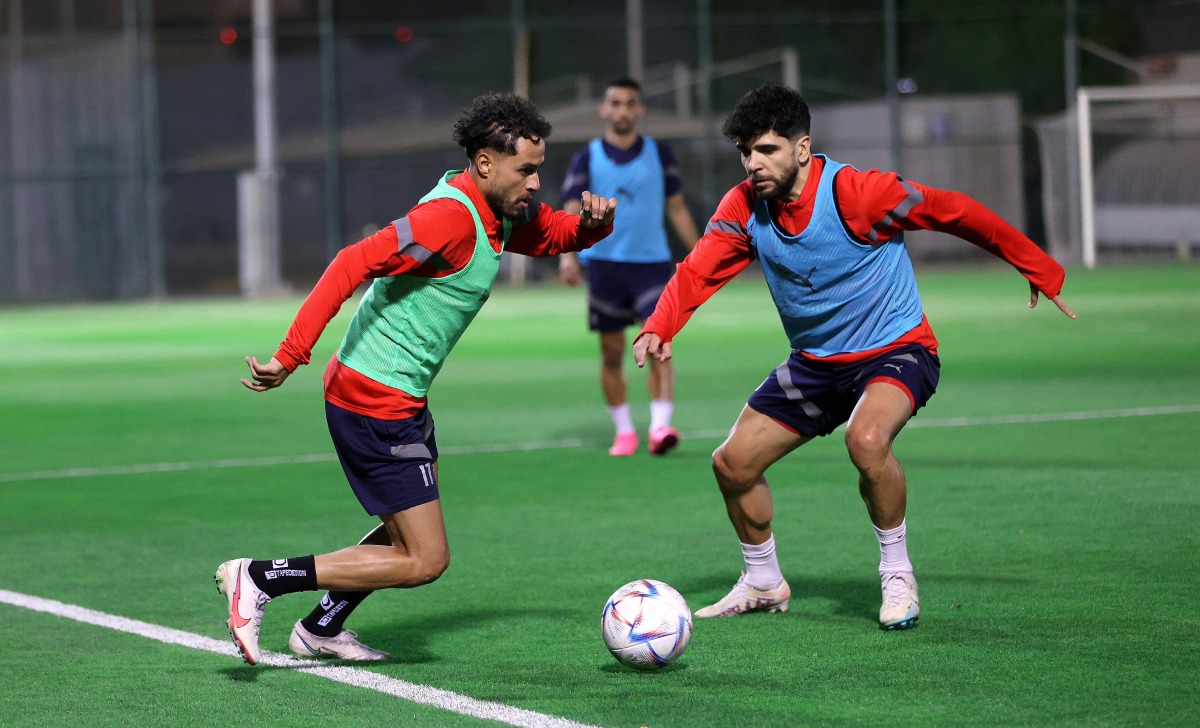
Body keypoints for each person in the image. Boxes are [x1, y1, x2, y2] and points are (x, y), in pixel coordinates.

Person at [633, 85, 1075, 631]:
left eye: (767, 149)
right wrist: (660, 323)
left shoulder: (858, 194)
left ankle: (897, 573)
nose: (753, 164)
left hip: (897, 349)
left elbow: (953, 211)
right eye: (746, 152)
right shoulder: (744, 206)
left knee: (866, 440)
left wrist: (1034, 265)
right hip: (816, 365)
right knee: (731, 464)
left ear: (802, 148)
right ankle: (763, 581)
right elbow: (700, 267)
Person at [216, 92, 617, 666]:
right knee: (425, 558)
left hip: (401, 399)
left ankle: (321, 628)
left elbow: (552, 234)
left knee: (404, 531)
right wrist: (290, 354)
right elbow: (352, 262)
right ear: (485, 163)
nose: (534, 183)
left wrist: (593, 227)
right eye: (525, 169)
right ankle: (260, 579)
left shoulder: (492, 210)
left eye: (538, 170)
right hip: (372, 400)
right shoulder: (449, 218)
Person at [558, 78, 700, 457]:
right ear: (605, 110)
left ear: (639, 110)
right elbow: (572, 207)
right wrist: (567, 255)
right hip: (604, 265)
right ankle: (624, 431)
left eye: (629, 104)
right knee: (611, 351)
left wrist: (702, 254)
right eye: (615, 103)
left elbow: (677, 206)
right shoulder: (587, 156)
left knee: (659, 345)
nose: (622, 110)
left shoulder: (660, 153)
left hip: (651, 265)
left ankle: (660, 427)